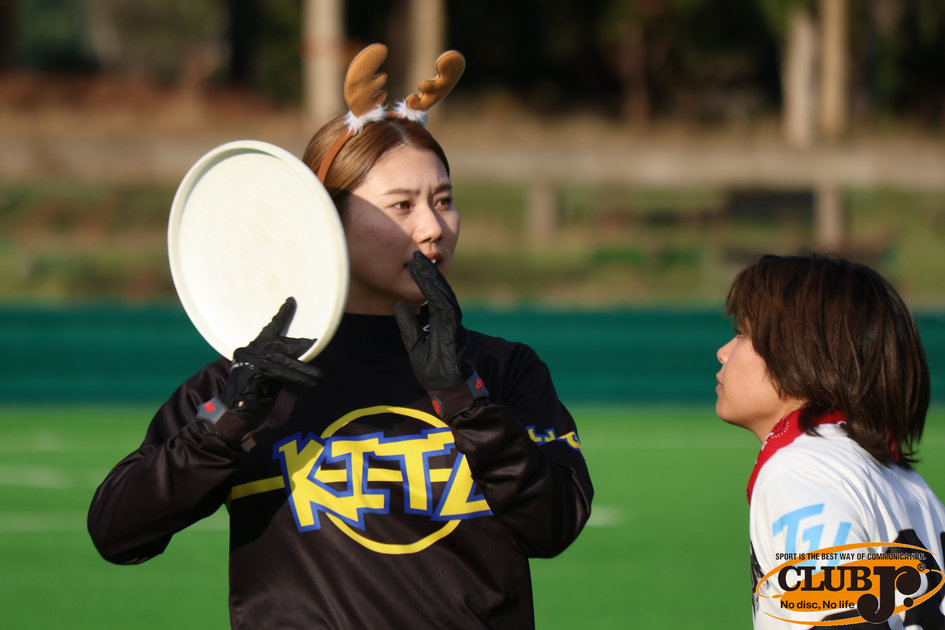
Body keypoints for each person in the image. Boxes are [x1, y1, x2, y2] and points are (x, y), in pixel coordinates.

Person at [88, 44, 593, 630]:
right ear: (324, 219)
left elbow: (553, 528)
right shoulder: (250, 378)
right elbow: (117, 533)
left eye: (444, 200)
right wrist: (224, 427)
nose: (433, 228)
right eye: (401, 206)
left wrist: (466, 404)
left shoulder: (503, 369)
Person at [715, 252, 945, 629]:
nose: (723, 352)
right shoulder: (908, 483)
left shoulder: (800, 473)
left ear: (798, 353)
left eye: (742, 334)